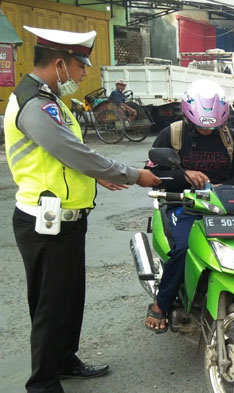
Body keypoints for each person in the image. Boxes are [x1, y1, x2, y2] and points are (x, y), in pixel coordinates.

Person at [3, 26, 161, 393]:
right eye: (80, 66)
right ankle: (43, 384)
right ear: (59, 64)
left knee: (70, 300)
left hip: (67, 219)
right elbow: (74, 152)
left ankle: (65, 359)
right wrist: (133, 175)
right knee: (50, 307)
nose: (83, 73)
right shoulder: (35, 104)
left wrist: (97, 178)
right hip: (45, 224)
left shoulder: (51, 98)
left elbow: (62, 156)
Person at [143, 79, 234, 332]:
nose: (206, 131)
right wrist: (185, 176)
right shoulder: (171, 134)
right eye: (200, 126)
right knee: (183, 249)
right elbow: (153, 174)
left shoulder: (230, 139)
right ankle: (161, 304)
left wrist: (218, 189)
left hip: (221, 206)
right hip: (181, 204)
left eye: (211, 126)